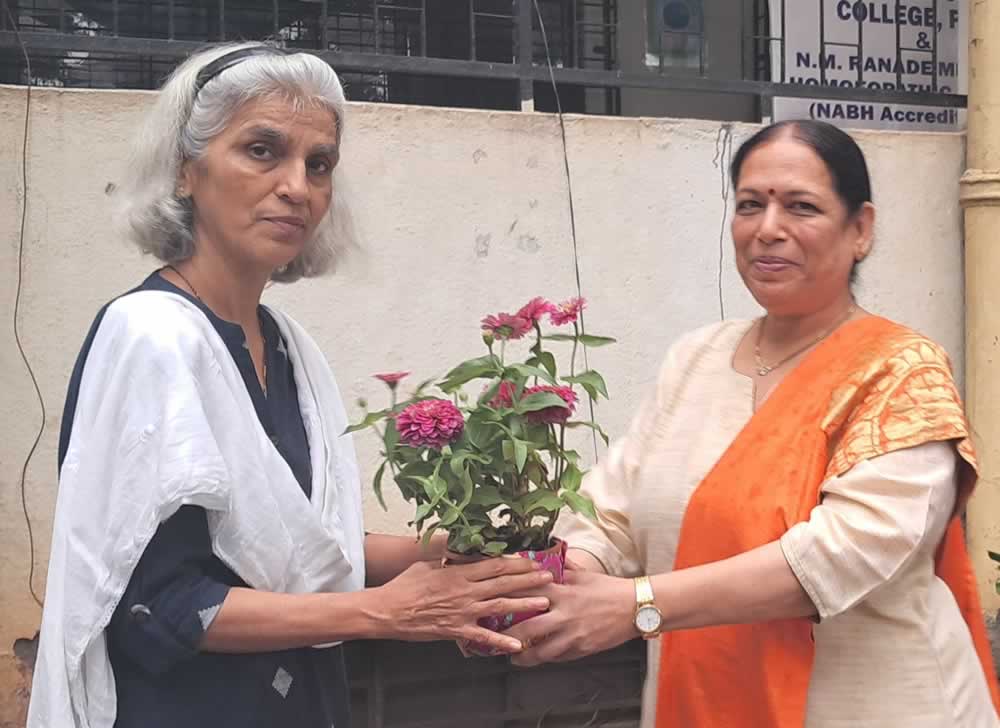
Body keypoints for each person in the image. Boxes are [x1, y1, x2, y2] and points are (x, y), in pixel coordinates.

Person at [27, 42, 552, 728]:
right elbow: (154, 604)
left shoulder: (288, 347)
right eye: (262, 151)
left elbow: (299, 546)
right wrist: (380, 613)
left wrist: (449, 555)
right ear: (185, 170)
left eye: (319, 164)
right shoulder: (151, 336)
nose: (297, 187)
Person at [505, 120, 1000, 728]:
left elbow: (847, 551)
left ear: (861, 229)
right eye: (749, 205)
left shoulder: (901, 371)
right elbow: (613, 515)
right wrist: (569, 580)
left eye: (801, 206)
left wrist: (638, 605)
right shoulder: (696, 358)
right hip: (702, 699)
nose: (768, 229)